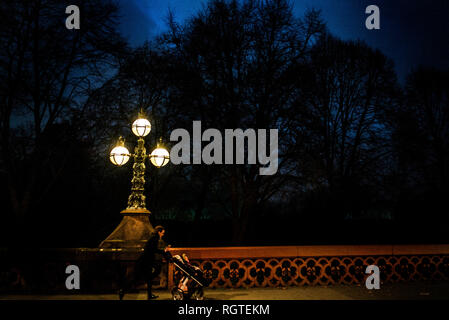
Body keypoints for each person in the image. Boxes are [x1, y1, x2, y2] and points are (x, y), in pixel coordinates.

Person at [118, 225, 170, 300]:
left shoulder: (153, 238)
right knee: (137, 278)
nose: (163, 234)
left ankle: (148, 295)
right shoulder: (155, 238)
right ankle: (122, 290)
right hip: (145, 262)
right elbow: (153, 250)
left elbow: (152, 249)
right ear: (159, 232)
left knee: (144, 278)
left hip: (145, 261)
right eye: (162, 233)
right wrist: (164, 251)